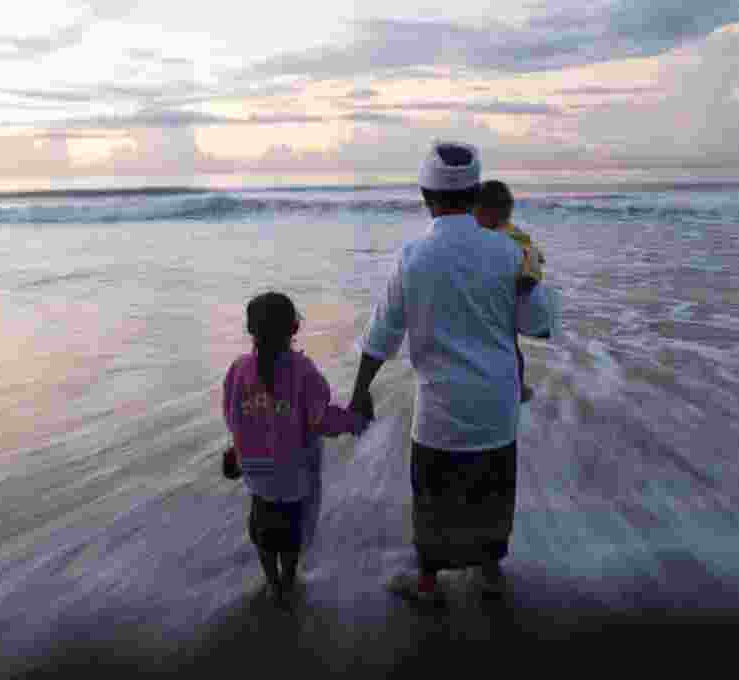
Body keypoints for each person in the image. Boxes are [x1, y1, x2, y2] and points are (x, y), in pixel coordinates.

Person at [347, 141, 561, 604]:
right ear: (475, 192)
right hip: (497, 407)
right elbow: (540, 325)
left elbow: (382, 331)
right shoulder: (508, 252)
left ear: (426, 194)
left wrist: (360, 392)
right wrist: (531, 280)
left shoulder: (413, 257)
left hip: (440, 412)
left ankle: (427, 585)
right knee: (492, 491)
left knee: (434, 499)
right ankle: (488, 574)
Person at [222, 291, 368, 609]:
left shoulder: (238, 370)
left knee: (261, 529)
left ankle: (272, 584)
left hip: (256, 475)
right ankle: (288, 583)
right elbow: (321, 419)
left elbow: (233, 416)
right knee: (290, 536)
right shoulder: (303, 372)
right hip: (294, 477)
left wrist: (235, 451)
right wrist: (355, 421)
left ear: (251, 330)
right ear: (294, 329)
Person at [474, 180, 547, 403]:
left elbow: (532, 257)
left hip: (514, 291)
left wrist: (528, 277)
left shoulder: (501, 235)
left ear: (489, 212)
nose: (473, 217)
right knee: (509, 345)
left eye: (476, 211)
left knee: (505, 346)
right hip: (512, 293)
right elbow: (537, 254)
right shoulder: (511, 232)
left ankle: (514, 388)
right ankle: (517, 388)